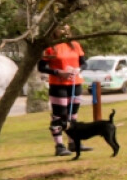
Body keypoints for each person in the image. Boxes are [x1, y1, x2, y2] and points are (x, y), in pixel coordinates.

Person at [38, 25, 89, 157]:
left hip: (75, 83)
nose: (63, 30)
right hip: (58, 84)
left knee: (73, 115)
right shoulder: (49, 46)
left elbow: (84, 63)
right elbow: (41, 67)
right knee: (60, 115)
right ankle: (59, 145)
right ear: (54, 29)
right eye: (60, 27)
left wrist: (79, 69)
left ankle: (74, 143)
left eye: (65, 27)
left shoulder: (75, 45)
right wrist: (58, 72)